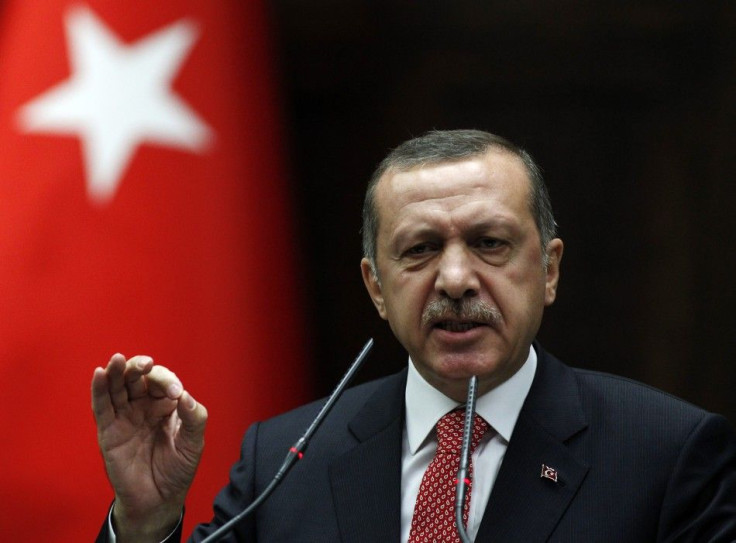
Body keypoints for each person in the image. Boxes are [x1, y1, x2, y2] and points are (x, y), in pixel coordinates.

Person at [92, 129, 736, 542]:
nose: (456, 279)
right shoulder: (287, 457)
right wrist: (147, 522)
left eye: (489, 244)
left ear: (549, 270)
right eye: (421, 250)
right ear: (376, 287)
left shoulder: (666, 453)